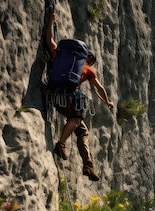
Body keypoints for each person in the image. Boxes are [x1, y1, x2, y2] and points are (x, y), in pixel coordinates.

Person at [45, 13, 114, 181]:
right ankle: (61, 144)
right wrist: (108, 101)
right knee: (76, 118)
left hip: (54, 95)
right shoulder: (89, 70)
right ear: (89, 59)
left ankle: (88, 166)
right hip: (69, 99)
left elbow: (49, 40)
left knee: (82, 131)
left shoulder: (60, 56)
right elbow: (99, 88)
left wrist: (51, 21)